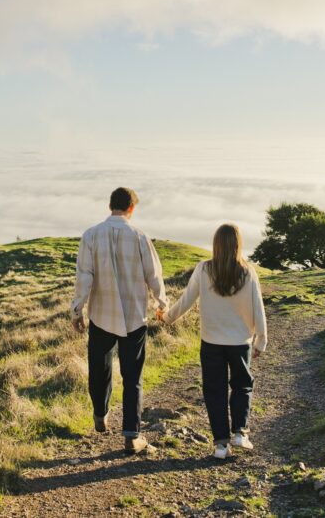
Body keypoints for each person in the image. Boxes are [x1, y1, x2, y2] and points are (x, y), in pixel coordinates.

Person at [71, 187, 168, 454]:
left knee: (99, 369)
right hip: (134, 316)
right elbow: (154, 275)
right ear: (132, 208)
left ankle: (100, 414)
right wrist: (162, 304)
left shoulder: (90, 235)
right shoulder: (140, 236)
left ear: (109, 205)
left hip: (102, 315)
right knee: (132, 376)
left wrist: (77, 310)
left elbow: (84, 276)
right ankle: (131, 435)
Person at [159, 223, 268, 459]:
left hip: (211, 341)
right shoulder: (248, 272)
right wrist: (261, 340)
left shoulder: (204, 269)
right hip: (240, 341)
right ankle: (239, 432)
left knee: (214, 391)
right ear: (238, 244)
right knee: (242, 385)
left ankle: (221, 445)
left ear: (215, 245)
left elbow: (186, 300)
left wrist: (167, 318)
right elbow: (258, 307)